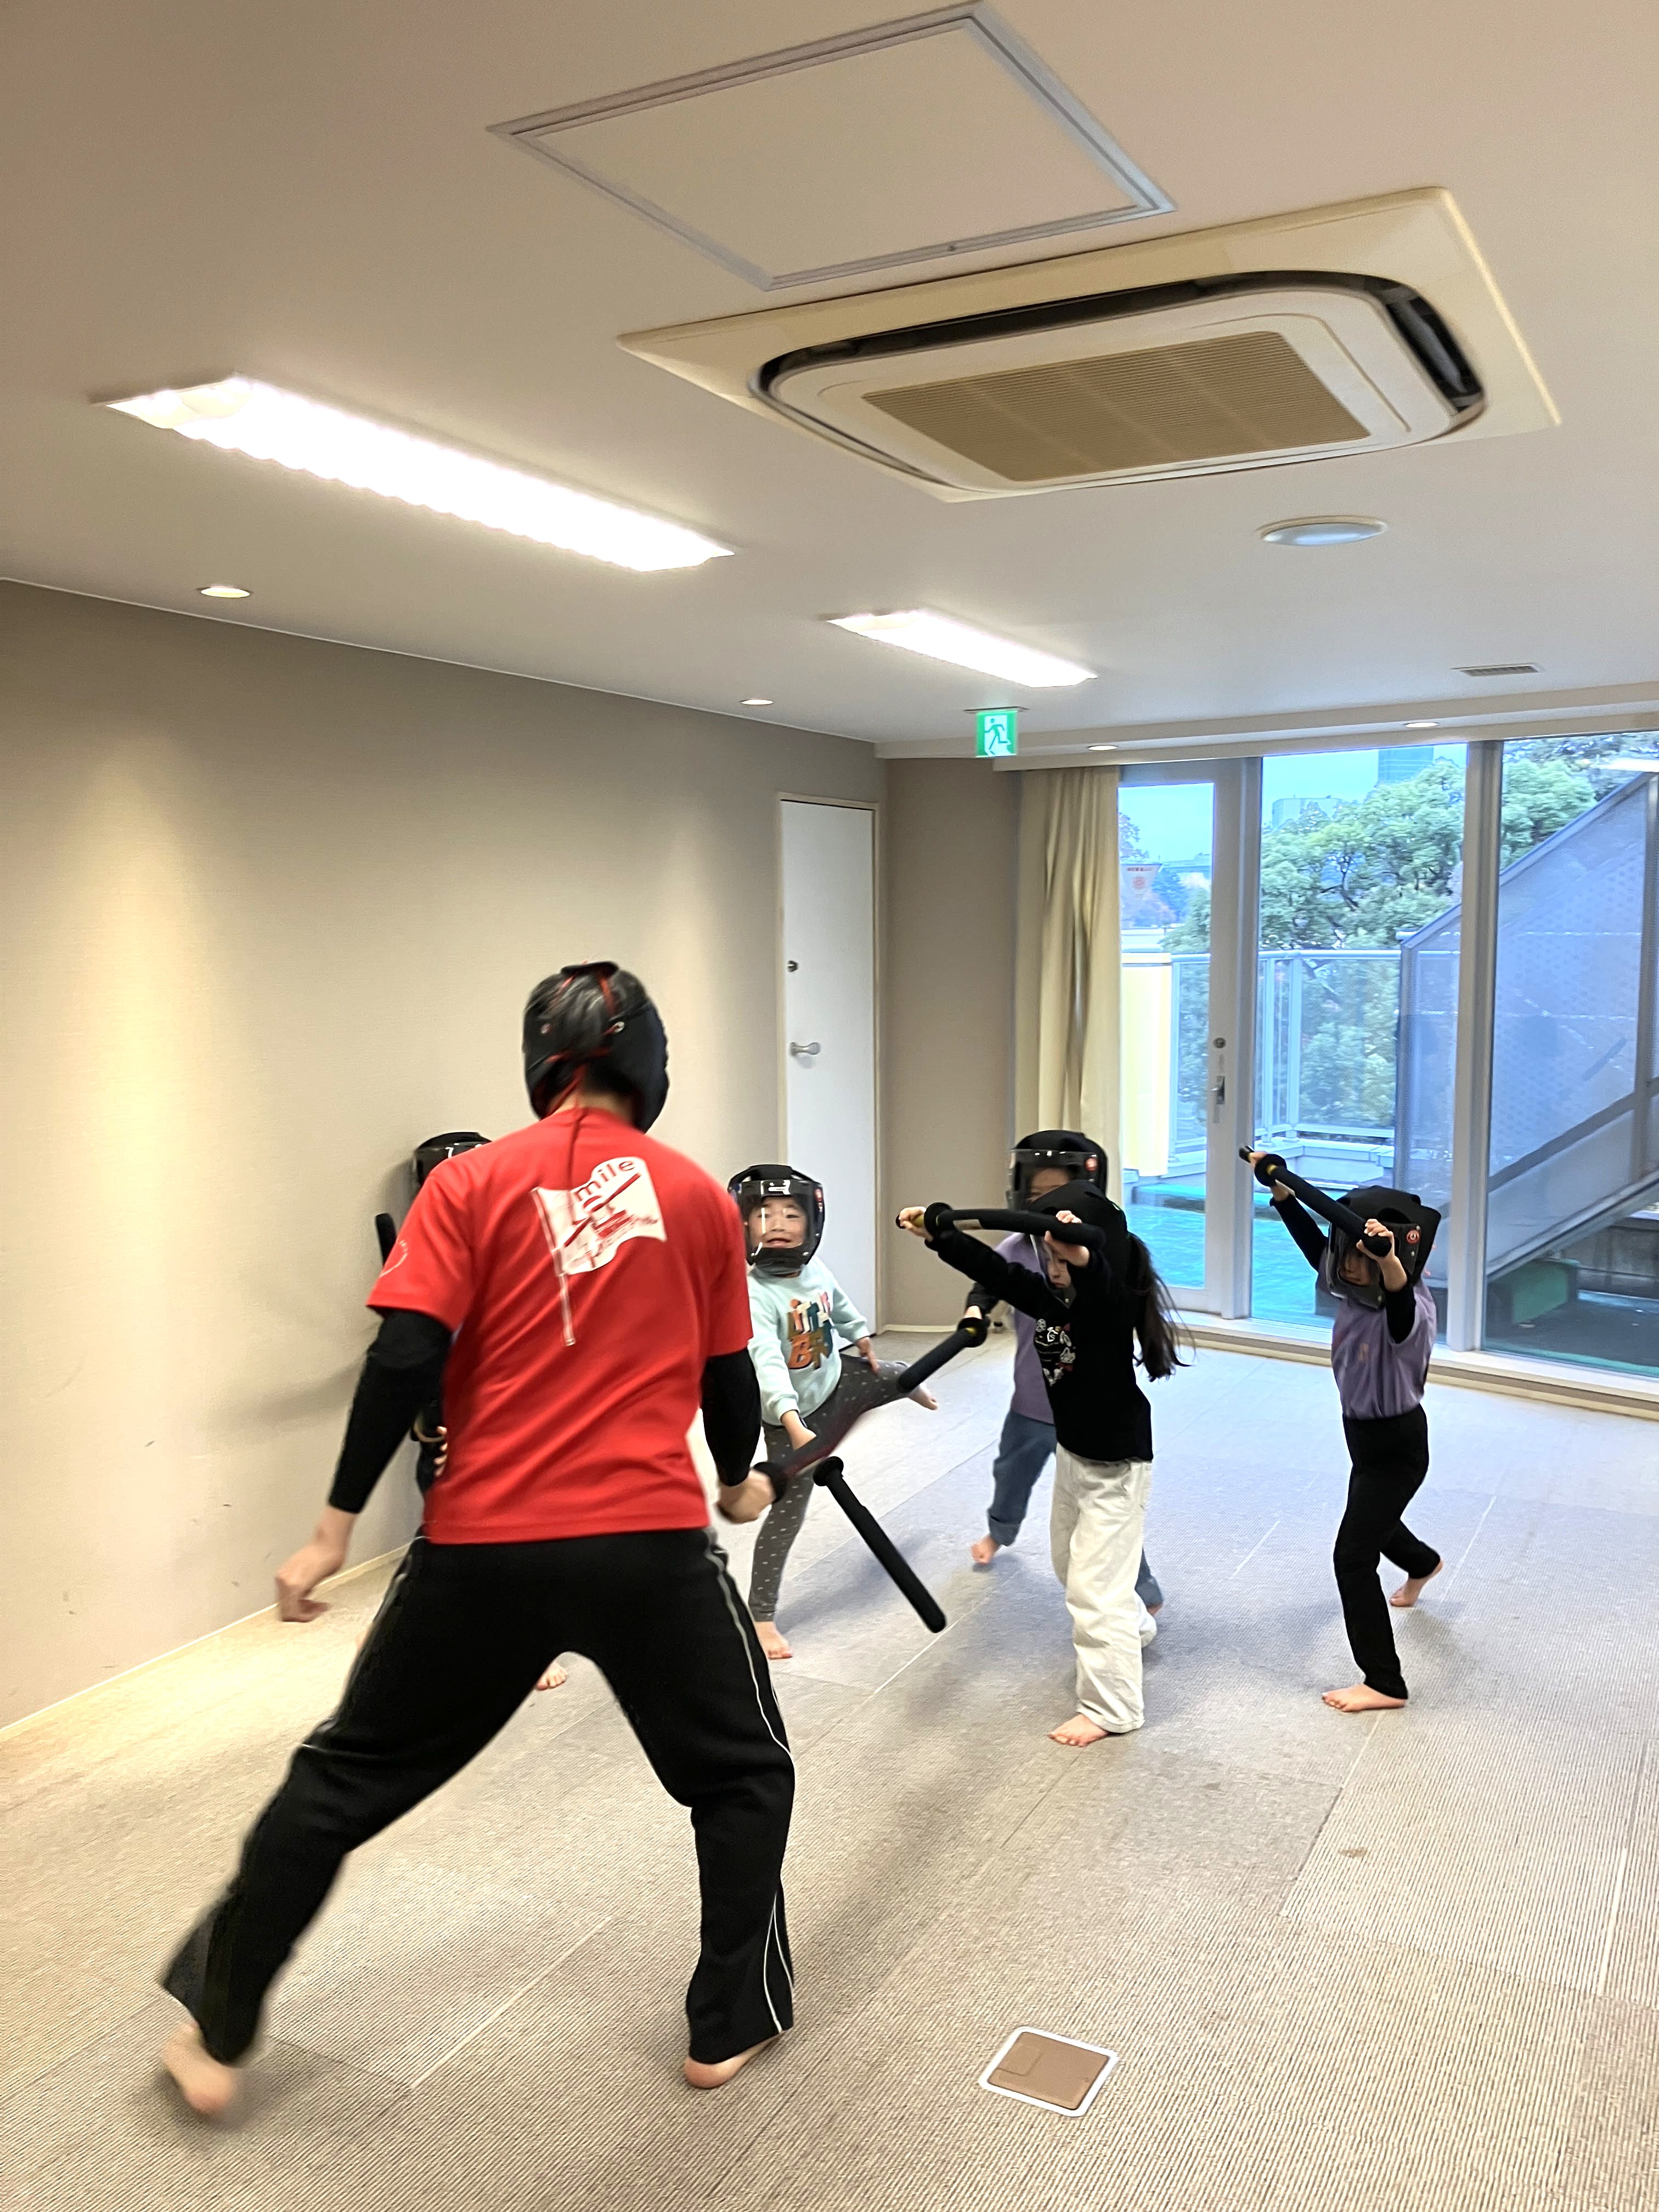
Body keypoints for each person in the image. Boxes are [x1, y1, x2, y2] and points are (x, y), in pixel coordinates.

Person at [160, 963, 793, 2117]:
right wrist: (740, 1477)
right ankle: (726, 2024)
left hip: (481, 1547)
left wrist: (329, 1531)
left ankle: (218, 2027)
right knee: (743, 1774)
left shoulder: (466, 1182)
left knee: (345, 1776)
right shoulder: (699, 1196)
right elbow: (726, 1372)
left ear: (541, 1064)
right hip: (646, 1547)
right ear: (648, 1067)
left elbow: (403, 1358)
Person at [899, 1180, 1184, 1747]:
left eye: (1065, 1261)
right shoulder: (1054, 1301)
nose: (1054, 1271)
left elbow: (1101, 1287)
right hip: (1075, 1455)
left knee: (1093, 1591)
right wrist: (940, 1234)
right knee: (1070, 1565)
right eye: (1049, 1260)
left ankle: (1113, 1709)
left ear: (1096, 1258)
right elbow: (999, 1273)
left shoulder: (1110, 1305)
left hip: (1115, 1467)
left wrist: (1083, 1256)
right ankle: (1134, 1626)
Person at [1249, 1152, 1443, 1714]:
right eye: (1346, 1252)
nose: (1346, 1265)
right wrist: (1282, 1191)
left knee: (1352, 1557)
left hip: (1397, 1445)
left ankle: (1385, 1681)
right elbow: (1315, 1245)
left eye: (1361, 1257)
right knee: (1375, 1522)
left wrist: (1387, 1260)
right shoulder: (1353, 1288)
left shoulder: (1406, 1312)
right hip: (1363, 1438)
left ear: (1394, 1257)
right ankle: (1423, 1563)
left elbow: (1399, 1295)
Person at [728, 1164, 934, 1660]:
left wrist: (860, 1334)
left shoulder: (815, 1270)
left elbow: (837, 1303)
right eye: (765, 1214)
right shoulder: (756, 1294)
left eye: (791, 1214)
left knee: (894, 1376)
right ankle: (760, 1614)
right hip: (791, 1418)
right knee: (787, 1517)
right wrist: (792, 1422)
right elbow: (767, 1365)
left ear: (812, 1222)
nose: (778, 1224)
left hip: (835, 1379)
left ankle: (905, 1385)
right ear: (745, 1223)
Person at [960, 1131, 1162, 1618]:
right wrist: (975, 1311)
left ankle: (1142, 1586)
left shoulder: (1101, 1258)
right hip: (1034, 1398)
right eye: (1036, 1195)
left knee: (1105, 1518)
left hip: (1092, 1417)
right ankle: (1000, 1530)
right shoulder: (1017, 1247)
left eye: (1056, 1194)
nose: (1045, 1205)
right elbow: (991, 1279)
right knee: (1012, 1472)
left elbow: (1112, 1297)